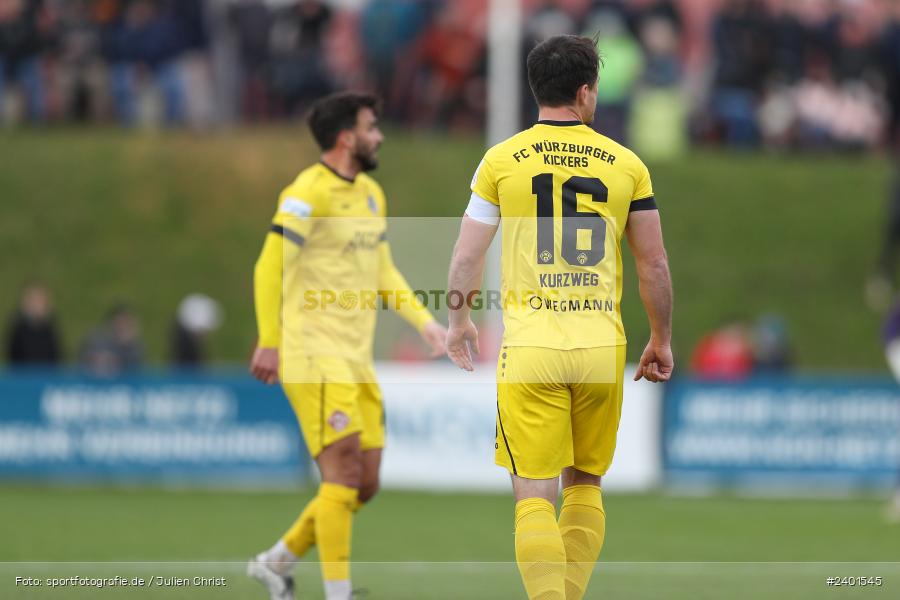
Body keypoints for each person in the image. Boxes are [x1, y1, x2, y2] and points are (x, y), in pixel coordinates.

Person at [446, 35, 673, 600]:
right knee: (585, 488)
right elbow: (653, 262)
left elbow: (466, 254)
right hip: (601, 348)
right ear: (585, 91)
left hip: (531, 349)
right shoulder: (627, 165)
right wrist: (662, 338)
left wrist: (459, 323)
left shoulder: (500, 161)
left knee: (533, 497)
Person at [246, 92, 447, 600]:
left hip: (355, 356)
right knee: (341, 473)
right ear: (345, 137)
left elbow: (382, 271)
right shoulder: (306, 193)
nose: (379, 135)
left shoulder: (373, 195)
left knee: (365, 482)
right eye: (371, 126)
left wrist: (426, 324)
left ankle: (277, 561)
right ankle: (339, 594)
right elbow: (269, 266)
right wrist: (269, 341)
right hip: (310, 351)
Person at [5, 282, 62, 365]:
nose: (36, 305)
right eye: (33, 300)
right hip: (24, 375)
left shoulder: (51, 328)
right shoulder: (18, 328)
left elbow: (57, 355)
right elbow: (13, 357)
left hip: (47, 374)